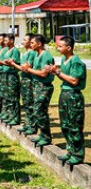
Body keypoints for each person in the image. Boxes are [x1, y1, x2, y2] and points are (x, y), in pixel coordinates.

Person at [47, 36, 87, 165]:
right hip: (65, 94)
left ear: (68, 48)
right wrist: (54, 71)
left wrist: (57, 72)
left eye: (60, 46)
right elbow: (65, 78)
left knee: (75, 126)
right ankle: (70, 151)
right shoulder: (64, 59)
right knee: (65, 125)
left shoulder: (76, 62)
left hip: (73, 96)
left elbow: (74, 81)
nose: (57, 48)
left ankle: (78, 154)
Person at [22, 34, 55, 146]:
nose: (30, 45)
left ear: (39, 44)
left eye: (32, 43)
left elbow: (43, 73)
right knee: (37, 110)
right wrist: (28, 67)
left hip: (44, 86)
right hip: (37, 86)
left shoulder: (46, 56)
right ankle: (42, 134)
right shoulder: (37, 54)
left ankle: (46, 136)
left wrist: (29, 69)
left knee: (39, 111)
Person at [7, 33, 37, 133]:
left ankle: (32, 126)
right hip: (24, 80)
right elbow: (23, 67)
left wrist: (13, 64)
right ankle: (27, 124)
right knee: (26, 103)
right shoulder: (25, 53)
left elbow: (26, 69)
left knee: (30, 103)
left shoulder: (32, 53)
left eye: (25, 40)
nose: (23, 42)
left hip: (29, 80)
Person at [0, 34, 21, 125]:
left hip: (11, 75)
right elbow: (4, 62)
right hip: (5, 74)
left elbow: (13, 63)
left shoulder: (15, 50)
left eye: (6, 40)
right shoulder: (6, 50)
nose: (4, 42)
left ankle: (15, 117)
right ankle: (8, 113)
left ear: (12, 41)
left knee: (13, 97)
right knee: (6, 95)